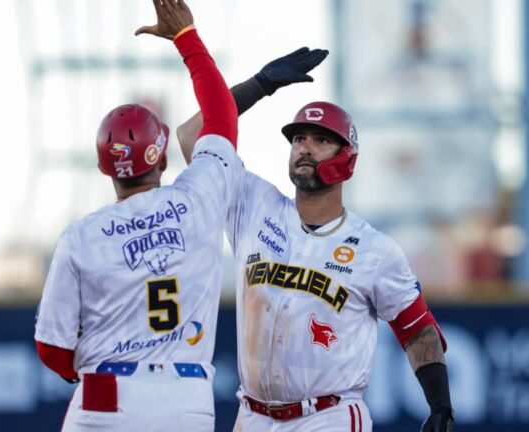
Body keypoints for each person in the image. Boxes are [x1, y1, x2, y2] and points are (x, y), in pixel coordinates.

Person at [178, 53, 454, 432]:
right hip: (253, 416)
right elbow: (192, 137)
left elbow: (417, 329)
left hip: (328, 416)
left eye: (321, 140)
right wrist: (260, 85)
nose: (304, 147)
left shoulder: (375, 250)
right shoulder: (254, 204)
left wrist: (440, 405)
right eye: (299, 139)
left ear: (347, 159)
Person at [33, 1, 243, 431]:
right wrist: (187, 38)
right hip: (185, 400)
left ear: (103, 167)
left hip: (106, 395)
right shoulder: (199, 199)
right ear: (162, 157)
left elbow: (51, 349)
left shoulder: (81, 237)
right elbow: (221, 118)